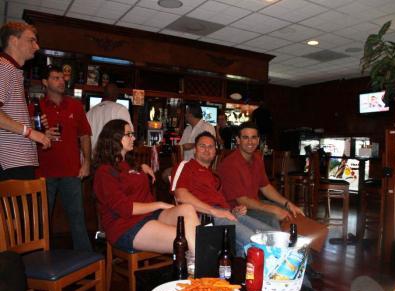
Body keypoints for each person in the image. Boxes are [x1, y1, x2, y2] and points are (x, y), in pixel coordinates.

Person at [93, 119, 199, 253]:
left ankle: (196, 268)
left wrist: (142, 167)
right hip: (125, 226)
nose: (134, 137)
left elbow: (129, 175)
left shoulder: (130, 164)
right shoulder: (104, 172)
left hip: (149, 215)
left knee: (187, 209)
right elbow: (125, 208)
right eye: (129, 134)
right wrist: (159, 204)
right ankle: (198, 270)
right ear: (114, 138)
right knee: (185, 238)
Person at [171, 131, 275, 257]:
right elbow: (180, 195)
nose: (206, 150)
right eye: (202, 146)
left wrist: (234, 210)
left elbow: (222, 203)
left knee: (271, 235)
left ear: (215, 152)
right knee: (253, 241)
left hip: (226, 214)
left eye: (210, 147)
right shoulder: (186, 166)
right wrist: (214, 211)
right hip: (205, 216)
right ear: (195, 150)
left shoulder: (215, 176)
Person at [31, 65, 92, 251]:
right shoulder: (35, 107)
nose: (61, 81)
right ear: (45, 82)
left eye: (62, 78)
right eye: (56, 77)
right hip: (43, 172)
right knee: (42, 222)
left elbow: (85, 135)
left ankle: (85, 264)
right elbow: (26, 138)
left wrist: (87, 162)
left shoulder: (75, 105)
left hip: (71, 171)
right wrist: (40, 134)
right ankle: (40, 261)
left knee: (78, 219)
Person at [217, 122, 304, 230]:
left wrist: (288, 204)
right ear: (238, 140)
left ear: (258, 140)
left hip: (253, 205)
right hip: (237, 210)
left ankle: (295, 242)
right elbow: (243, 201)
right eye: (245, 137)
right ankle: (278, 244)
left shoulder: (257, 158)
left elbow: (266, 187)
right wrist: (272, 209)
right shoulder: (229, 164)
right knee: (272, 217)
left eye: (253, 137)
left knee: (290, 211)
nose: (250, 142)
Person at [0, 21, 51, 180]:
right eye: (31, 40)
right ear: (13, 41)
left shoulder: (12, 70)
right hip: (10, 161)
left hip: (16, 160)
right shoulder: (3, 67)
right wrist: (30, 132)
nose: (36, 46)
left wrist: (30, 122)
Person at [87, 83, 132, 153]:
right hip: (112, 159)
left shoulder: (90, 112)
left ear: (103, 94)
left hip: (93, 159)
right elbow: (129, 135)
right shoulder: (120, 109)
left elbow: (84, 138)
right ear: (116, 95)